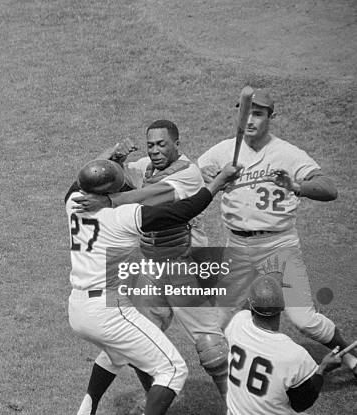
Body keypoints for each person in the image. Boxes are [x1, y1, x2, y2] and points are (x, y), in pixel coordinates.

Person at [197, 87, 357, 375]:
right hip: (238, 248)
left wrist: (296, 187)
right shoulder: (223, 150)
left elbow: (329, 189)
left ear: (270, 116)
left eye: (257, 114)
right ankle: (242, 379)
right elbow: (194, 175)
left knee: (305, 320)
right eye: (246, 113)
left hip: (279, 246)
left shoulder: (287, 154)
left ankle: (349, 354)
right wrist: (211, 177)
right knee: (216, 320)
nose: (250, 120)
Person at [66, 159, 241, 415]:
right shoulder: (123, 215)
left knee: (118, 355)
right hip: (108, 310)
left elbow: (79, 180)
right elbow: (182, 211)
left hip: (78, 309)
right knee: (173, 369)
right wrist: (217, 184)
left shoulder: (72, 203)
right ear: (113, 190)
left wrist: (110, 155)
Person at [225, 265, 342, 415]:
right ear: (282, 307)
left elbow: (245, 308)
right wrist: (324, 368)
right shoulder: (293, 355)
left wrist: (263, 285)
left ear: (252, 307)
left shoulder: (237, 324)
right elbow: (302, 403)